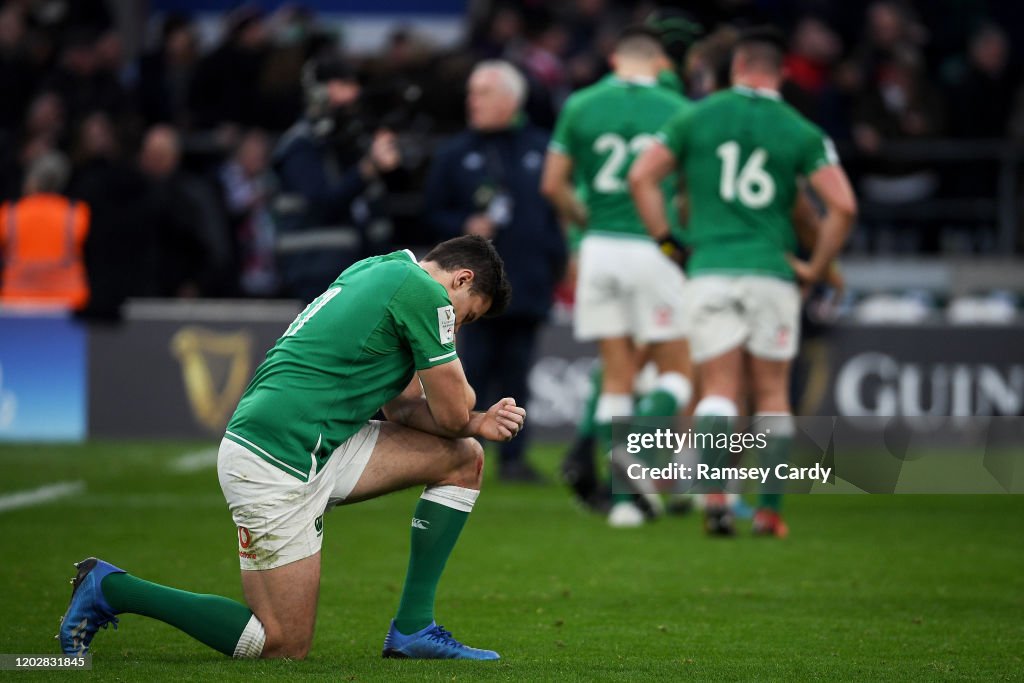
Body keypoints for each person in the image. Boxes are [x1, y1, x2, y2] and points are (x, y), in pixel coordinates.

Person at [59, 235, 522, 661]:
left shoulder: (381, 270)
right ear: (461, 280)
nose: (459, 325)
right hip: (273, 460)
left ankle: (413, 628)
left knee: (463, 458)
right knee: (281, 645)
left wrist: (473, 425)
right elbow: (454, 410)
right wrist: (476, 416)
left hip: (316, 445)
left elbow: (403, 412)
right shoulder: (424, 292)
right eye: (468, 315)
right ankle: (113, 589)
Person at [629, 26, 857, 537]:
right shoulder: (799, 129)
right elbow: (841, 205)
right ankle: (770, 511)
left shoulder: (696, 117)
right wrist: (818, 266)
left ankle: (715, 497)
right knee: (773, 393)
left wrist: (668, 241)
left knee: (718, 389)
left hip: (709, 268)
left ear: (736, 69)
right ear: (781, 74)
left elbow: (641, 176)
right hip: (772, 273)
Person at [541, 26, 694, 527]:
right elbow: (689, 190)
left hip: (600, 248)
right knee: (677, 371)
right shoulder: (678, 111)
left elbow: (553, 184)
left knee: (616, 374)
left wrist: (586, 221)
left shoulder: (581, 105)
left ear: (614, 59)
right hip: (654, 247)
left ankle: (622, 503)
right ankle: (637, 475)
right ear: (659, 63)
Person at [423, 60, 566, 482]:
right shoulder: (454, 153)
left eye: (482, 93)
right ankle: (464, 452)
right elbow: (429, 213)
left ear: (510, 100)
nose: (472, 101)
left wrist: (557, 266)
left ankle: (515, 458)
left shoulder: (543, 149)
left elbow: (554, 219)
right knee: (472, 368)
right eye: (471, 92)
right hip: (468, 292)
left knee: (518, 370)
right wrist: (462, 227)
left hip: (528, 282)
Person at [270, 56, 400, 302]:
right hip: (313, 268)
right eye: (341, 86)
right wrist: (369, 167)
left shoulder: (348, 142)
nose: (352, 95)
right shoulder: (300, 145)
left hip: (353, 270)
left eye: (353, 86)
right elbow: (322, 203)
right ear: (318, 91)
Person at [0, 151, 89, 310]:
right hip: (68, 302)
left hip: (17, 302)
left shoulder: (9, 214)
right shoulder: (77, 213)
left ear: (32, 180)